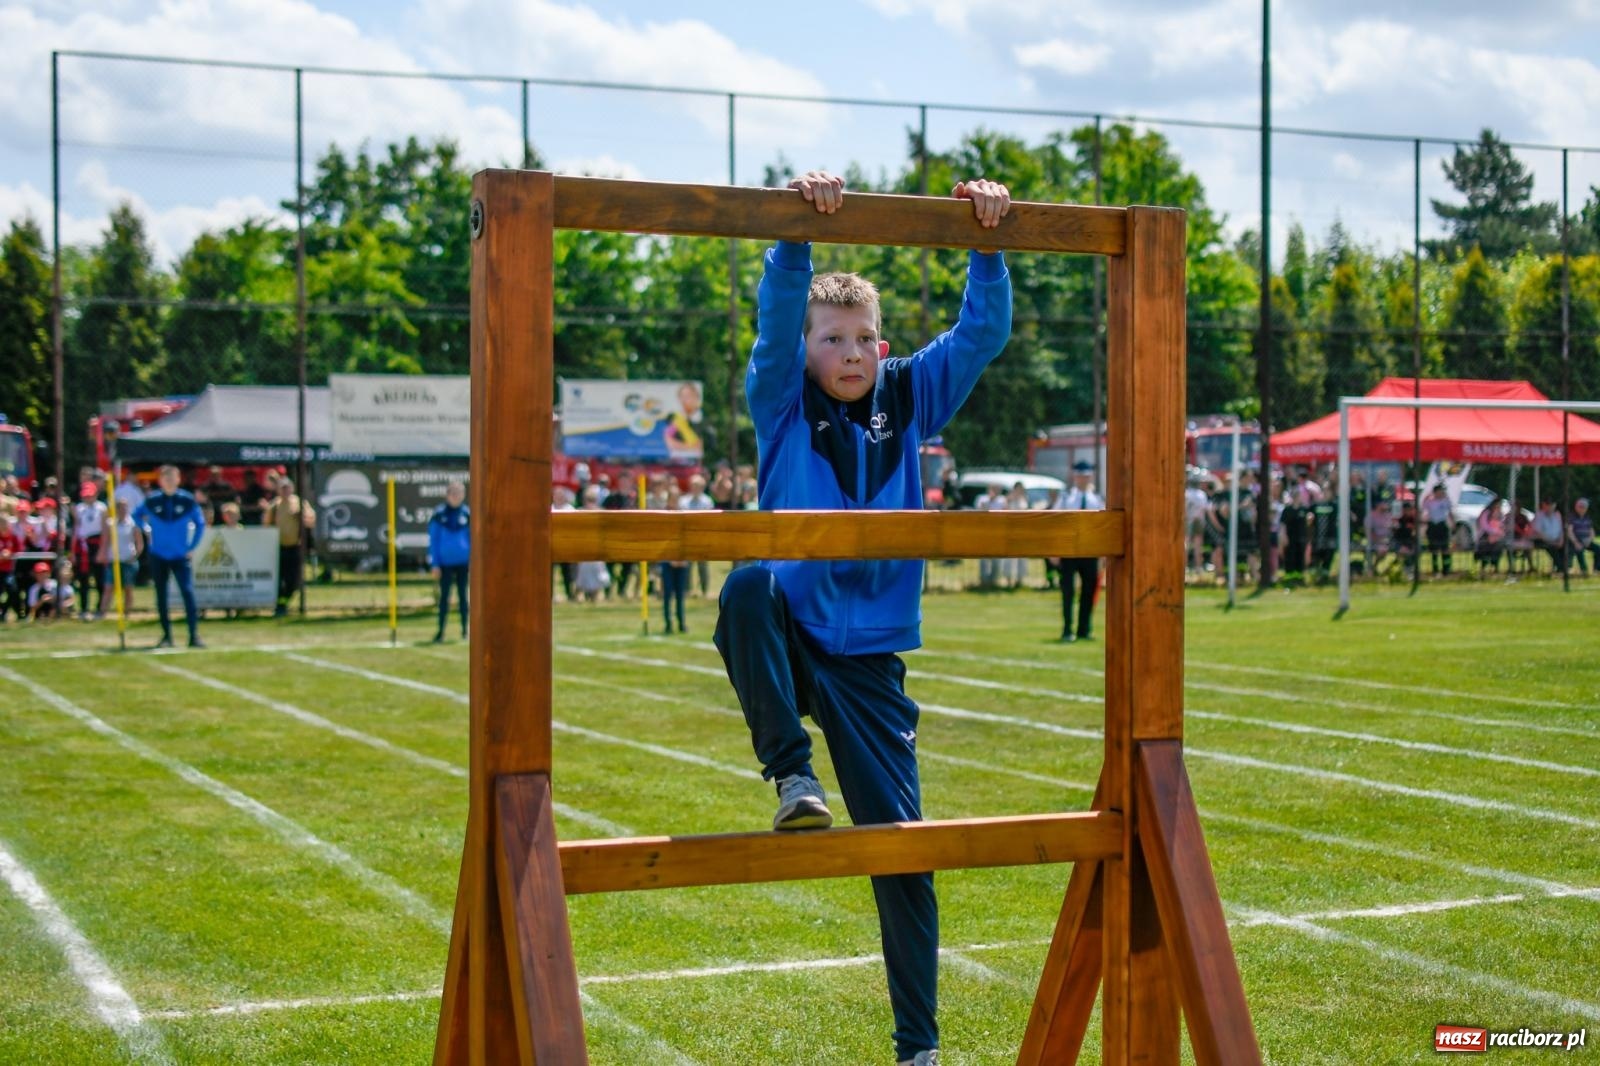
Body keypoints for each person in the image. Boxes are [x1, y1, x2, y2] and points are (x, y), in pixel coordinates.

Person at [713, 169, 1011, 1066]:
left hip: (873, 662)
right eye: (833, 337)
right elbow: (773, 322)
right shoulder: (781, 400)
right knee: (746, 587)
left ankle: (917, 1048)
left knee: (904, 854)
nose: (852, 351)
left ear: (884, 347)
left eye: (866, 337)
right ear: (806, 349)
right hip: (793, 639)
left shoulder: (909, 394)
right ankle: (792, 778)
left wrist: (987, 242)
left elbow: (981, 332)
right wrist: (794, 235)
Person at [134, 464, 206, 648]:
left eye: (172, 478)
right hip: (158, 554)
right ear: (160, 481)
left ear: (178, 479)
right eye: (166, 478)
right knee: (161, 595)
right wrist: (145, 529)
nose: (169, 481)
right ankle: (166, 636)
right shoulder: (152, 500)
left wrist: (191, 546)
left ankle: (193, 635)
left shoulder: (187, 500)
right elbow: (136, 516)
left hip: (180, 555)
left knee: (188, 593)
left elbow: (200, 523)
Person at [1054, 461, 1103, 642]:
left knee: (1088, 591)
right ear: (1075, 477)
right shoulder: (1066, 498)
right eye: (1080, 475)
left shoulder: (1096, 499)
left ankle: (1084, 628)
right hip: (1069, 550)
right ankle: (1067, 629)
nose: (1083, 479)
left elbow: (1101, 527)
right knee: (1068, 591)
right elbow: (1056, 523)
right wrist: (1055, 551)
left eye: (1086, 476)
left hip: (1089, 552)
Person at [264, 476, 315, 616]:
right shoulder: (274, 506)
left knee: (295, 579)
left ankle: (284, 602)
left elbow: (311, 521)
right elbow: (266, 525)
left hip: (295, 547)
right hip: (279, 547)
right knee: (279, 578)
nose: (285, 490)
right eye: (282, 488)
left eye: (287, 487)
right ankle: (280, 605)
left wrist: (301, 516)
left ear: (292, 489)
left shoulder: (300, 503)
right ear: (278, 490)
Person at [428, 480, 471, 642]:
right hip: (445, 564)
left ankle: (465, 630)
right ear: (447, 495)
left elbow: (473, 539)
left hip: (462, 563)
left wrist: (472, 561)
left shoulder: (467, 514)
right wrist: (435, 563)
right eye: (453, 493)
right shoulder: (439, 515)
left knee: (463, 597)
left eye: (459, 493)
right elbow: (433, 540)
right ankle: (440, 631)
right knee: (444, 598)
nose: (456, 496)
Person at [98, 499, 143, 617]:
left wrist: (135, 556)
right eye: (120, 508)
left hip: (128, 560)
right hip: (114, 560)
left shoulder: (133, 523)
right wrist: (103, 554)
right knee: (108, 587)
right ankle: (103, 612)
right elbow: (106, 541)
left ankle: (126, 612)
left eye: (125, 507)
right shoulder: (110, 523)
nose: (123, 510)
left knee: (128, 588)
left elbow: (139, 542)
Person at [71, 480, 108, 619]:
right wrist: (73, 551)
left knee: (99, 578)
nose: (87, 498)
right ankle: (84, 607)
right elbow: (76, 529)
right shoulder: (79, 509)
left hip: (96, 543)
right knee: (83, 578)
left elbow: (105, 530)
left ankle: (100, 607)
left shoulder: (102, 508)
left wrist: (103, 550)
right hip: (82, 545)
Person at [680, 474, 716, 596]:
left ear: (702, 487)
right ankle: (687, 590)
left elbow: (709, 520)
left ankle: (704, 590)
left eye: (698, 486)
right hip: (688, 537)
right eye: (693, 486)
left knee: (703, 565)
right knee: (687, 565)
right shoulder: (683, 501)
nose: (695, 488)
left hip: (702, 537)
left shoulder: (707, 501)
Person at [1422, 484, 1454, 576]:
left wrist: (1453, 524)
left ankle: (1446, 569)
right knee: (1434, 549)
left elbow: (1450, 512)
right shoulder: (1429, 501)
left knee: (1445, 548)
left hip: (1442, 525)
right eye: (1439, 491)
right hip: (1433, 525)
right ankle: (1435, 570)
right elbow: (1423, 507)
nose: (1441, 493)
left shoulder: (1446, 501)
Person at [1532, 499, 1565, 574]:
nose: (1550, 507)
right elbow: (1538, 532)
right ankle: (1560, 569)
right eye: (1548, 505)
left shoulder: (1557, 515)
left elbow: (1561, 530)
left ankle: (1564, 567)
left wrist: (1561, 540)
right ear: (1544, 505)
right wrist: (1551, 542)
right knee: (1552, 548)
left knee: (1565, 547)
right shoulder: (1539, 515)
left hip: (1555, 540)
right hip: (1541, 540)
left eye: (1552, 505)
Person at [0, 515, 22, 622]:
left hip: (8, 570)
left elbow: (19, 550)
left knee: (13, 590)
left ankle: (5, 611)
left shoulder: (12, 537)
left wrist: (10, 553)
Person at [1568, 497, 1595, 576]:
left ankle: (1597, 569)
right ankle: (1584, 570)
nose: (1583, 509)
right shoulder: (1571, 517)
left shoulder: (1587, 517)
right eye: (1581, 507)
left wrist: (1589, 541)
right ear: (1577, 507)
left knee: (1598, 549)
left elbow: (1592, 531)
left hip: (1586, 540)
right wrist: (1576, 542)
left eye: (1585, 507)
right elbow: (1569, 531)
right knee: (1579, 549)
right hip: (1574, 540)